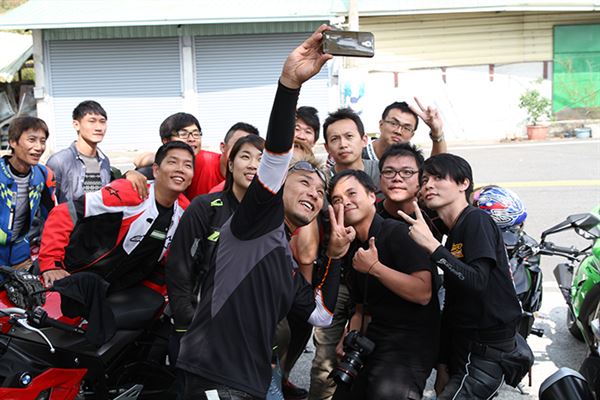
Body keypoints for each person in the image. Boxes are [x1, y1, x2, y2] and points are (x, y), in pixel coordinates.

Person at [176, 25, 352, 400]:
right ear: (278, 186)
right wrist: (289, 86)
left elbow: (321, 315)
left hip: (251, 384)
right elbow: (274, 159)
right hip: (213, 375)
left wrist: (336, 256)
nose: (314, 192)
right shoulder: (254, 223)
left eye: (320, 191)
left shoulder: (285, 262)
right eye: (304, 182)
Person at [398, 153, 522, 399]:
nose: (429, 185)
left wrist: (433, 247)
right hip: (465, 346)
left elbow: (477, 281)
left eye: (438, 178)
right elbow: (456, 302)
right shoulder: (455, 230)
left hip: (486, 350)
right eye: (425, 180)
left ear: (463, 183)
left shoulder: (476, 220)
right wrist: (443, 362)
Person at [328, 169, 439, 400]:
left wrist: (375, 268)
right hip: (371, 342)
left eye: (351, 194)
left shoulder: (398, 232)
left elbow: (424, 292)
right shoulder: (351, 245)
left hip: (406, 348)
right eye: (337, 200)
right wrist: (349, 338)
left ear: (372, 196)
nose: (344, 202)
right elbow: (360, 308)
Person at [38, 141, 194, 291]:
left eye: (187, 165)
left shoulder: (186, 211)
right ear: (156, 170)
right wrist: (52, 264)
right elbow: (64, 212)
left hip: (120, 291)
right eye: (172, 162)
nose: (180, 169)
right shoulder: (131, 191)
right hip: (73, 274)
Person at [167, 134, 265, 353]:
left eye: (260, 159)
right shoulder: (205, 207)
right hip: (199, 325)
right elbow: (179, 267)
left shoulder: (269, 219)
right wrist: (187, 322)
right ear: (230, 164)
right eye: (245, 157)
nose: (253, 165)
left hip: (246, 329)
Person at [0, 116, 55, 270]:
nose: (39, 147)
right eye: (32, 140)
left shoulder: (44, 174)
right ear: (13, 142)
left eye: (42, 141)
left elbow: (52, 217)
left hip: (21, 253)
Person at [47, 101, 113, 203]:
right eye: (92, 121)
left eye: (102, 121)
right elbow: (47, 202)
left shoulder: (104, 161)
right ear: (76, 125)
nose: (99, 128)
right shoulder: (59, 161)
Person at [187, 122, 259, 199]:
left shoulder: (255, 178)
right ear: (223, 147)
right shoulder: (198, 160)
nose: (240, 152)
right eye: (237, 146)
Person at [362, 99, 447, 162]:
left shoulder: (412, 161)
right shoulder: (359, 150)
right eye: (393, 123)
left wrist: (437, 131)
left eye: (406, 128)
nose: (398, 131)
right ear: (381, 124)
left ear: (412, 135)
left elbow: (436, 169)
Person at [135, 112, 202, 179]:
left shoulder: (206, 161)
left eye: (196, 134)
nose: (192, 139)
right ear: (166, 141)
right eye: (183, 134)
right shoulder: (149, 174)